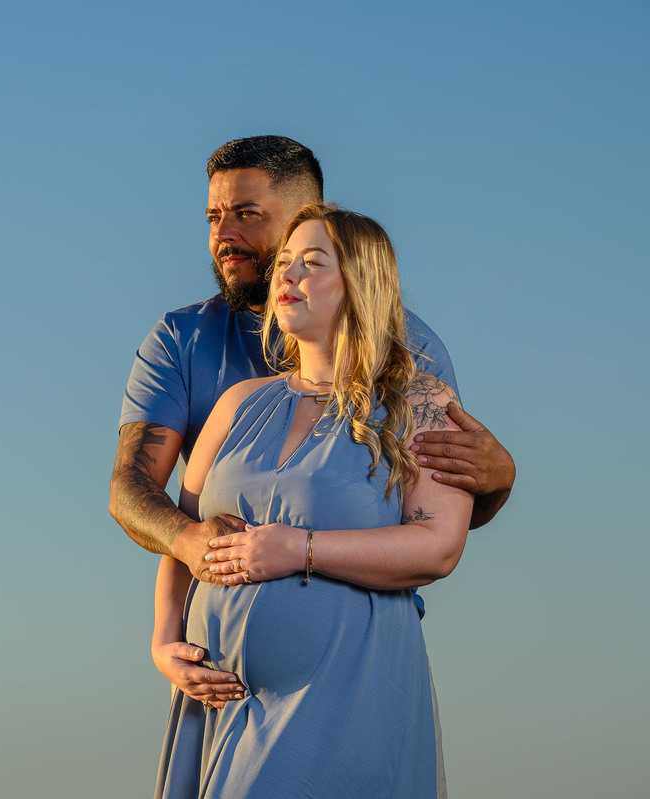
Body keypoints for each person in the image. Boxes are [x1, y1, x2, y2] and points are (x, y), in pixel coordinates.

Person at [109, 136, 515, 710]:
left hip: (354, 658)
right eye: (214, 217)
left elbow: (438, 516)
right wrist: (183, 557)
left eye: (247, 215)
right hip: (217, 681)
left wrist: (498, 481)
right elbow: (134, 488)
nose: (225, 235)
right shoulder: (186, 343)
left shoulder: (412, 357)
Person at [153, 203, 471, 796]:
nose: (286, 275)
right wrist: (164, 642)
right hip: (216, 706)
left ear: (359, 284)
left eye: (312, 262)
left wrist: (301, 549)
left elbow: (439, 547)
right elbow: (181, 533)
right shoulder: (239, 403)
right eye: (284, 263)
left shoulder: (421, 403)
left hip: (343, 693)